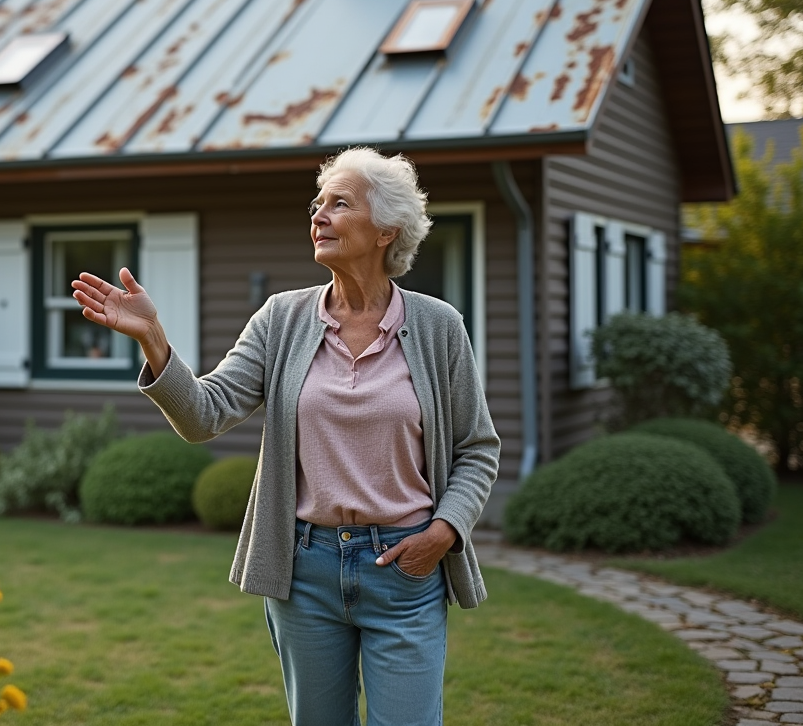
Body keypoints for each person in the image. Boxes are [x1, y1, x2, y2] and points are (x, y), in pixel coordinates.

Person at [71, 146, 500, 726]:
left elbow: (477, 448)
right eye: (316, 203)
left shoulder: (437, 327)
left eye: (339, 204)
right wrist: (153, 338)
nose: (318, 215)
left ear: (385, 230)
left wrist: (444, 533)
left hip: (405, 568)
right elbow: (205, 413)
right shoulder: (282, 318)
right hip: (307, 572)